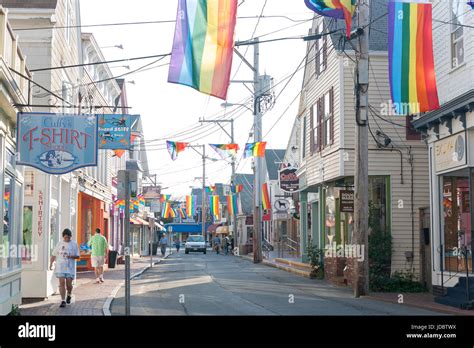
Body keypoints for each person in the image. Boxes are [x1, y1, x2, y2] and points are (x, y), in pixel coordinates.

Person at [50, 229, 80, 308]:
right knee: (62, 283)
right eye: (65, 237)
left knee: (69, 285)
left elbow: (78, 256)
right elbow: (54, 254)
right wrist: (50, 263)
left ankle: (69, 294)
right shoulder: (59, 244)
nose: (67, 239)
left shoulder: (74, 244)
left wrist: (70, 256)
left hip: (70, 267)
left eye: (68, 238)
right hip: (60, 267)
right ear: (63, 237)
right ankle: (63, 300)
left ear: (71, 237)